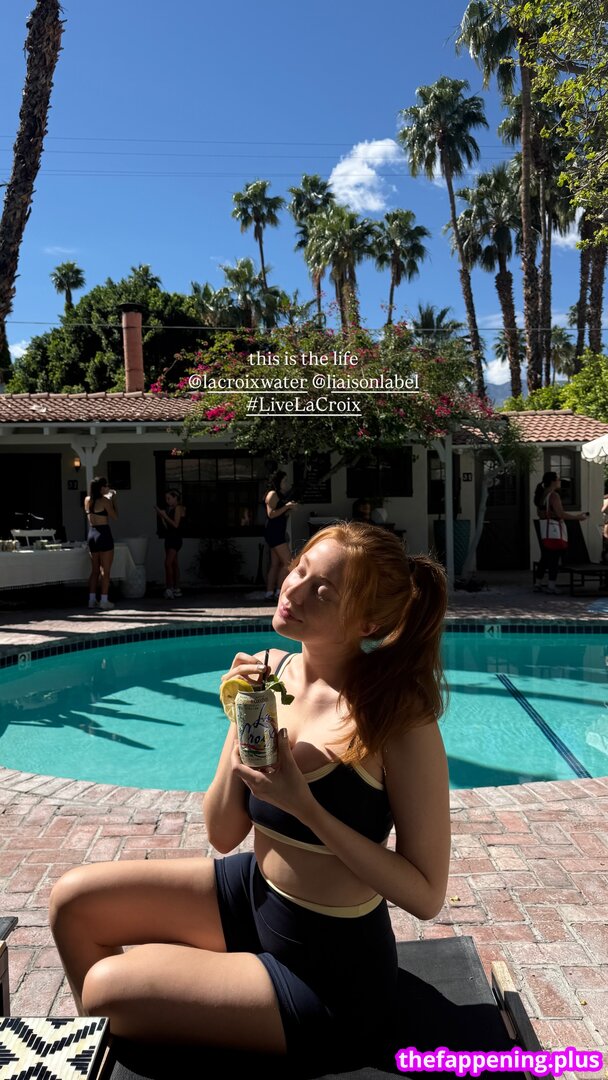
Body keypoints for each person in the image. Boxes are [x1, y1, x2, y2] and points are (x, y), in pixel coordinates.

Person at [49, 523, 451, 1067]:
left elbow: (426, 896)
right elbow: (223, 833)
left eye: (322, 591)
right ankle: (112, 1055)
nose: (293, 590)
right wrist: (238, 712)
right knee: (72, 903)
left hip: (330, 970)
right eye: (299, 570)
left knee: (107, 991)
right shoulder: (271, 671)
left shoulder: (398, 717)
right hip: (255, 897)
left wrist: (305, 808)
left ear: (367, 623)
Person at [533, 471, 588, 593]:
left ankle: (538, 583)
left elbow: (540, 513)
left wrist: (550, 514)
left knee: (545, 556)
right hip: (554, 529)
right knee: (554, 556)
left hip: (545, 529)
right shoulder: (554, 496)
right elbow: (560, 514)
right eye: (558, 479)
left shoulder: (542, 494)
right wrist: (577, 517)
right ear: (553, 481)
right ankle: (551, 585)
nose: (560, 481)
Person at [84, 477, 117, 611]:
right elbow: (115, 516)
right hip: (103, 533)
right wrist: (113, 500)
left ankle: (91, 600)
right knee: (105, 570)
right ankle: (104, 600)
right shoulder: (105, 501)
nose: (108, 488)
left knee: (95, 570)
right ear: (101, 488)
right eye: (106, 486)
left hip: (92, 534)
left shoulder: (87, 500)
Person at [263, 470, 297, 601]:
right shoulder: (272, 494)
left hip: (278, 532)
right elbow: (271, 514)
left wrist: (289, 508)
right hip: (274, 532)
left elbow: (281, 514)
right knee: (288, 562)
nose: (286, 483)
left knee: (275, 564)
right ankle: (279, 591)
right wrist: (286, 507)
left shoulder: (281, 495)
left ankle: (269, 592)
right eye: (284, 480)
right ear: (278, 482)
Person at [155, 489, 185, 599]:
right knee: (174, 563)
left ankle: (170, 588)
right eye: (166, 499)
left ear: (175, 498)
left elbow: (176, 525)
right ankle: (177, 588)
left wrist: (165, 516)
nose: (167, 501)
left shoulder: (179, 508)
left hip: (175, 538)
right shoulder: (169, 509)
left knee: (167, 563)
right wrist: (162, 516)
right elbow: (167, 526)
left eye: (169, 498)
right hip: (169, 537)